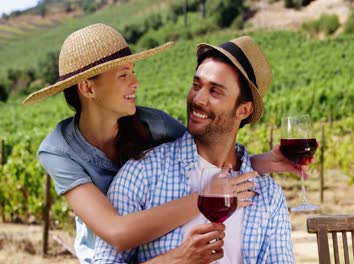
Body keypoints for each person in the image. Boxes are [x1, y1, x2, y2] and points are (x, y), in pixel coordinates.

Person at [22, 24, 301, 263]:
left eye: (214, 90)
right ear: (88, 88)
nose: (136, 83)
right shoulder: (62, 151)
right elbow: (116, 233)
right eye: (123, 75)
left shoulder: (156, 124)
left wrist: (257, 163)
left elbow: (207, 149)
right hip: (102, 240)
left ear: (244, 110)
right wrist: (204, 205)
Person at [93, 36, 295, 263]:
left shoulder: (267, 195)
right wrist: (178, 259)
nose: (198, 98)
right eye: (196, 85)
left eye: (215, 91)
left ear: (244, 110)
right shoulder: (142, 174)